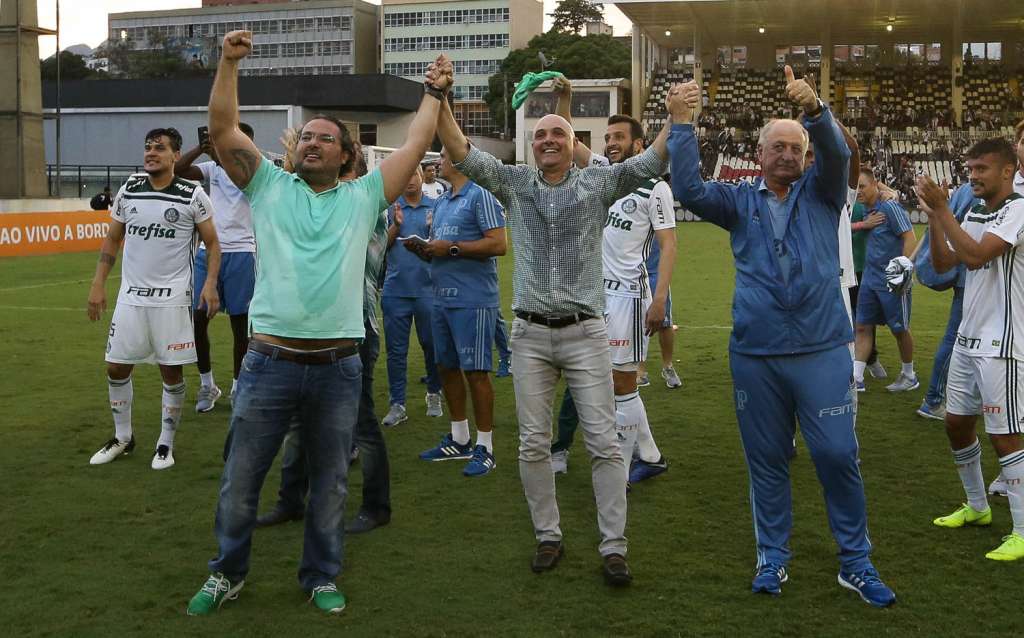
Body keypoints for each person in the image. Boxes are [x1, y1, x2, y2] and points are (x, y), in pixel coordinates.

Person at [185, 32, 448, 617]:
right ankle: (226, 573)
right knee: (240, 479)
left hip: (337, 366)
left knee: (330, 482)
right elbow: (223, 129)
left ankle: (321, 575)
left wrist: (432, 93)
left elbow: (417, 141)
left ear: (347, 156)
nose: (312, 142)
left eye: (326, 138)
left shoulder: (363, 197)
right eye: (306, 135)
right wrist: (228, 63)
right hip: (268, 362)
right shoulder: (267, 185)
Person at [435, 57, 695, 585]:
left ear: (573, 142)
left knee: (603, 442)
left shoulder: (597, 183)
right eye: (541, 134)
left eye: (558, 133)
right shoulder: (513, 183)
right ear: (532, 145)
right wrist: (439, 98)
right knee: (533, 443)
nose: (549, 139)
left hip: (585, 333)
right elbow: (460, 149)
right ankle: (547, 536)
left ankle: (614, 546)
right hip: (530, 335)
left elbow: (651, 160)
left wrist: (676, 117)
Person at [668, 66, 895, 606]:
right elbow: (688, 189)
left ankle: (856, 561)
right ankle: (772, 556)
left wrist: (815, 110)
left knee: (837, 454)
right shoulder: (738, 201)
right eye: (779, 146)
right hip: (757, 352)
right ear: (760, 153)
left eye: (798, 148)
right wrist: (680, 124)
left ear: (807, 156)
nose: (789, 154)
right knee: (767, 461)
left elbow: (838, 153)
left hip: (821, 348)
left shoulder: (824, 192)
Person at [256, 144, 393, 535]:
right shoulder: (324, 201)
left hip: (354, 329)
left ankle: (376, 505)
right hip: (311, 330)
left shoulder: (367, 205)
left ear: (353, 172)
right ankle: (290, 500)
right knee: (299, 420)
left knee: (361, 422)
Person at [547, 87, 676, 482]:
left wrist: (659, 299)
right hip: (595, 296)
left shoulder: (655, 187)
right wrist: (564, 99)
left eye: (619, 137)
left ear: (639, 144)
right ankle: (649, 456)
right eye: (607, 138)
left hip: (629, 298)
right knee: (604, 381)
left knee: (622, 384)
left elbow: (669, 245)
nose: (611, 143)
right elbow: (568, 139)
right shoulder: (604, 171)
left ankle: (618, 471)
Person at [86, 127, 220, 471]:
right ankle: (123, 437)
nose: (151, 152)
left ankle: (165, 443)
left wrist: (210, 284)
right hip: (131, 297)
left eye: (159, 148)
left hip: (172, 299)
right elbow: (112, 239)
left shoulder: (192, 194)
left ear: (176, 155)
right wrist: (98, 283)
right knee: (116, 366)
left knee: (170, 372)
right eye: (148, 147)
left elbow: (213, 243)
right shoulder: (130, 188)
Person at [917, 137, 1024, 561]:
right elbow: (945, 264)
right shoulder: (976, 211)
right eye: (971, 168)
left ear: (1007, 171)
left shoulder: (1018, 210)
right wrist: (934, 218)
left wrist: (943, 209)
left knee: (1005, 436)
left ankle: (1022, 530)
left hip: (1003, 341)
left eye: (982, 168)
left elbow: (977, 256)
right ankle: (978, 507)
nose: (973, 176)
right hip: (968, 337)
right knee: (956, 424)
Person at [411, 148, 507, 476]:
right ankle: (459, 438)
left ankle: (485, 446)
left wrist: (451, 248)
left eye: (443, 157)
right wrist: (425, 249)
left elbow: (498, 244)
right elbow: (440, 247)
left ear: (461, 161)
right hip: (441, 298)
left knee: (476, 372)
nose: (438, 162)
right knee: (446, 367)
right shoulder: (442, 201)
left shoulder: (481, 195)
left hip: (473, 299)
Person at [174, 122, 258, 412]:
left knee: (240, 324)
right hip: (208, 251)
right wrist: (202, 148)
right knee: (197, 319)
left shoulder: (255, 170)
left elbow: (243, 177)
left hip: (242, 252)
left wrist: (219, 156)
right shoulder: (213, 168)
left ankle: (237, 386)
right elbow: (179, 171)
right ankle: (207, 384)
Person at [380, 166, 444, 427]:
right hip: (396, 291)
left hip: (428, 291)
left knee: (432, 345)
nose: (409, 181)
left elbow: (443, 246)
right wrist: (396, 227)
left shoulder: (436, 206)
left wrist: (432, 230)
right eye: (404, 176)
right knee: (396, 351)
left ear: (420, 177)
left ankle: (434, 393)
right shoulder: (390, 208)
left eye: (413, 175)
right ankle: (397, 404)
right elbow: (380, 247)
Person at [853, 167, 918, 392]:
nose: (858, 191)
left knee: (899, 329)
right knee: (862, 326)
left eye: (862, 186)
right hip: (870, 277)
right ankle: (856, 378)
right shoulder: (865, 209)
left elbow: (909, 236)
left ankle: (909, 375)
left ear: (874, 185)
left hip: (892, 279)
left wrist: (904, 270)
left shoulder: (889, 207)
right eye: (856, 187)